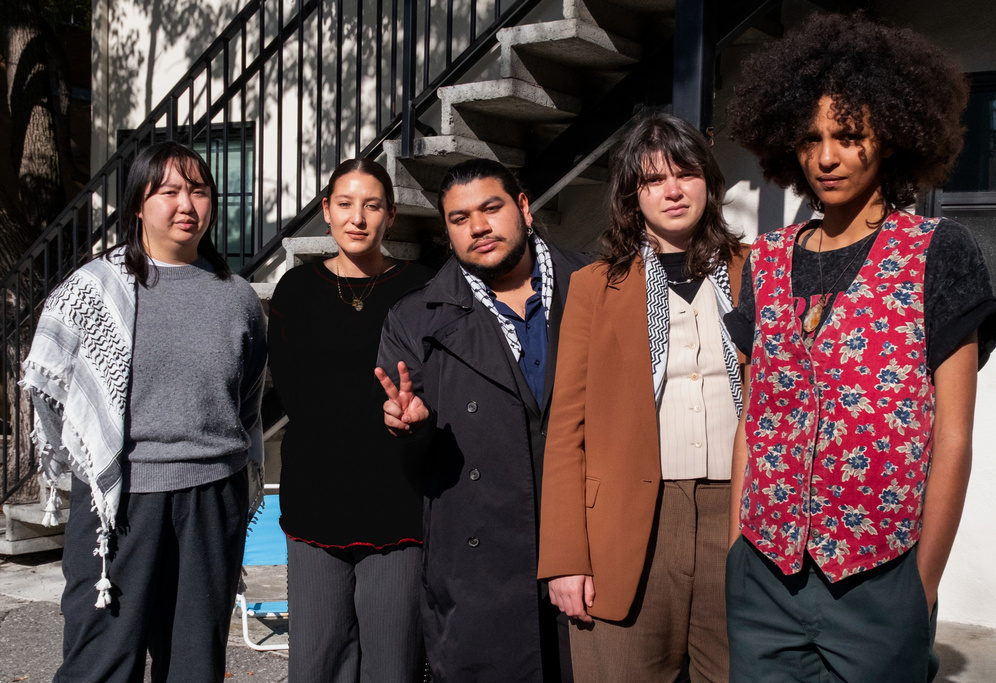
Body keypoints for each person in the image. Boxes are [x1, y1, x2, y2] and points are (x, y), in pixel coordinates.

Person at [725, 13, 996, 681]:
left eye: (849, 137)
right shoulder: (763, 262)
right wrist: (737, 544)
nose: (826, 157)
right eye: (811, 139)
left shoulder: (937, 252)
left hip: (879, 582)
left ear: (892, 137)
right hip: (762, 577)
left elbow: (954, 436)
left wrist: (922, 584)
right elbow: (755, 419)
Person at [22, 141, 267, 682]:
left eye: (198, 190)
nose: (186, 204)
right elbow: (52, 387)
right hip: (119, 501)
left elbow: (245, 400)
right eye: (169, 191)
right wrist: (91, 462)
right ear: (137, 203)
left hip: (212, 498)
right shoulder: (93, 291)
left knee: (194, 663)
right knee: (102, 660)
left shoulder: (238, 298)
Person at [537, 114, 745, 682]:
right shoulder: (594, 287)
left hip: (741, 516)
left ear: (709, 181)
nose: (672, 191)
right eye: (652, 180)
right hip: (629, 523)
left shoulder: (758, 271)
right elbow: (566, 431)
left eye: (685, 173)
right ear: (633, 196)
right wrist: (564, 557)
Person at [374, 158, 590, 682]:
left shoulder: (596, 282)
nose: (478, 227)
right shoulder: (416, 316)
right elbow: (413, 466)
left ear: (523, 207)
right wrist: (412, 428)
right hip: (479, 564)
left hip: (586, 545)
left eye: (491, 208)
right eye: (459, 218)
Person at [268, 158, 433, 682]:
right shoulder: (295, 289)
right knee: (316, 661)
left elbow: (438, 388)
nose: (357, 217)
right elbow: (291, 391)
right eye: (345, 204)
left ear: (391, 215)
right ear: (326, 212)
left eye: (372, 205)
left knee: (394, 661)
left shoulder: (423, 288)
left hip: (399, 501)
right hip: (316, 500)